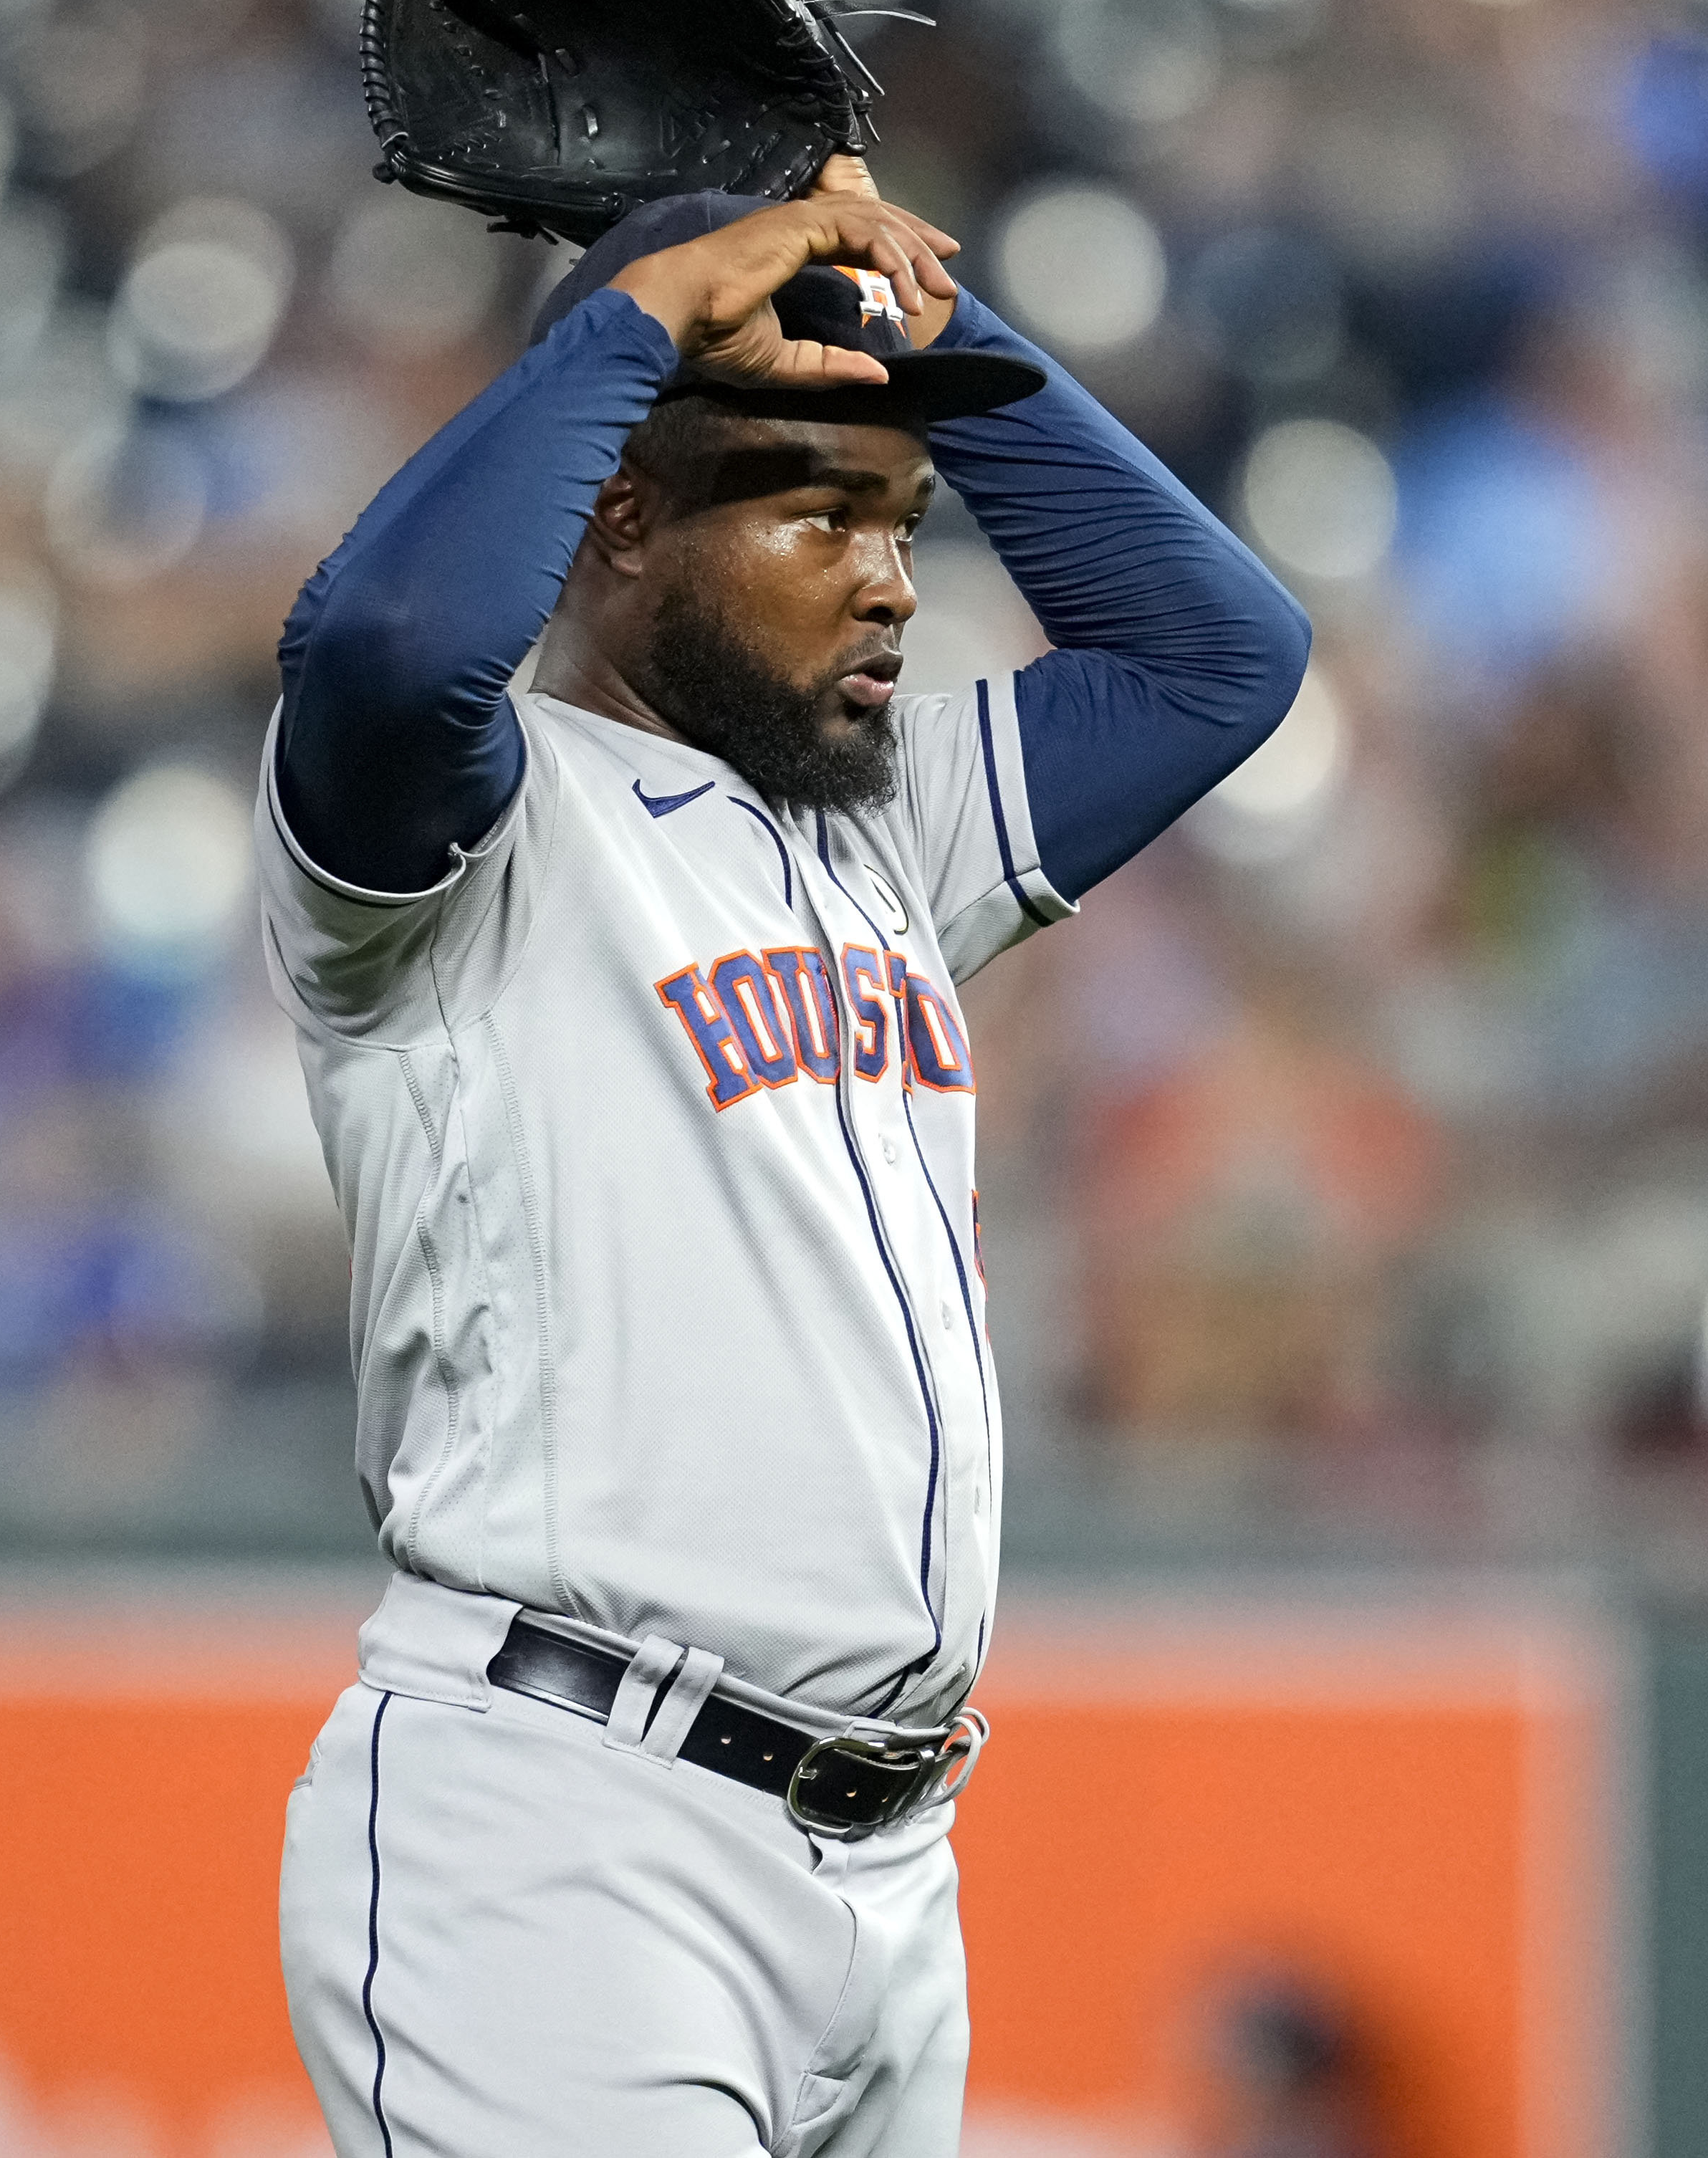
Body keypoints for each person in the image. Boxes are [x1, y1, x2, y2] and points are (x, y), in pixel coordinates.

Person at [262, 161, 1310, 2158]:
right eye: (817, 509)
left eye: (903, 517)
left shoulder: (881, 831)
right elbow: (390, 643)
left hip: (885, 1872)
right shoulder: (466, 844)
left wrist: (916, 305)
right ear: (621, 519)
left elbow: (1216, 659)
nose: (889, 577)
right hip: (560, 1832)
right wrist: (644, 313)